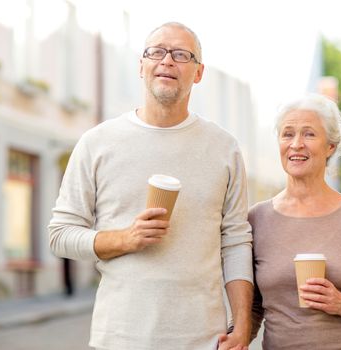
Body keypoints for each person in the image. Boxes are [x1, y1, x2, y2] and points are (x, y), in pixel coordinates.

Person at [49, 22, 253, 350]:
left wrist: (242, 324)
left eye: (181, 55)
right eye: (156, 52)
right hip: (119, 338)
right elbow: (60, 235)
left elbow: (236, 242)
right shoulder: (97, 143)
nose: (167, 61)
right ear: (141, 66)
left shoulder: (224, 148)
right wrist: (124, 239)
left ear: (199, 73)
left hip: (204, 339)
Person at [248, 93, 341, 349]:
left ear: (330, 146)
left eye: (309, 134)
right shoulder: (257, 218)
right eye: (287, 134)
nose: (296, 144)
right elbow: (253, 305)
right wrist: (237, 338)